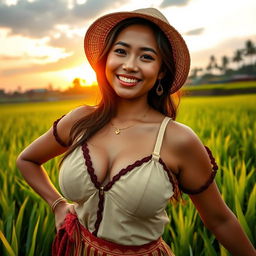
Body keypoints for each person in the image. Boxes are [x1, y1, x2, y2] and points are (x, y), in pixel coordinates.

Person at [16, 8, 255, 256]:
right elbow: (27, 160)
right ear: (106, 59)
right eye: (121, 51)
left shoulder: (178, 140)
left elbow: (220, 220)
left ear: (162, 70)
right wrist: (57, 204)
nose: (129, 65)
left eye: (146, 57)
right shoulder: (80, 120)